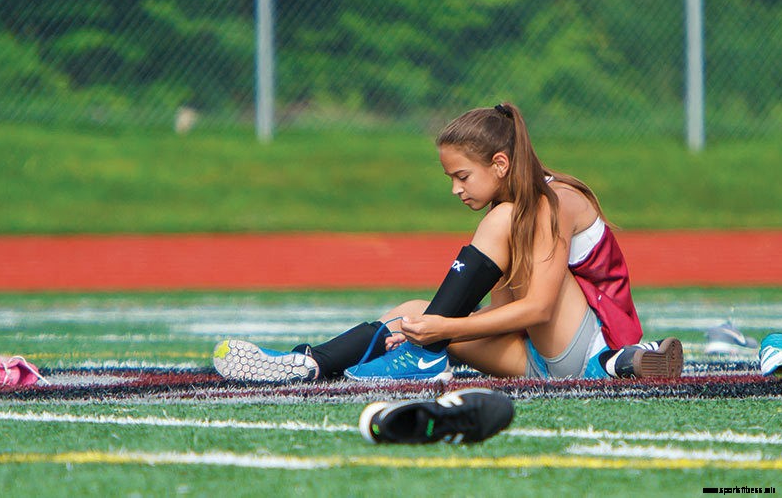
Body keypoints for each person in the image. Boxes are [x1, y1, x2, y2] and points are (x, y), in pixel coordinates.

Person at [213, 103, 683, 382]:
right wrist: (429, 327)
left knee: (475, 264)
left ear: (500, 164)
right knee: (412, 312)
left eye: (462, 176)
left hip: (585, 345)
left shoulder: (548, 201)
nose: (456, 189)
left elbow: (539, 309)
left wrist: (445, 330)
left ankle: (619, 360)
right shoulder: (513, 209)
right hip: (539, 358)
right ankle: (309, 363)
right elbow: (504, 313)